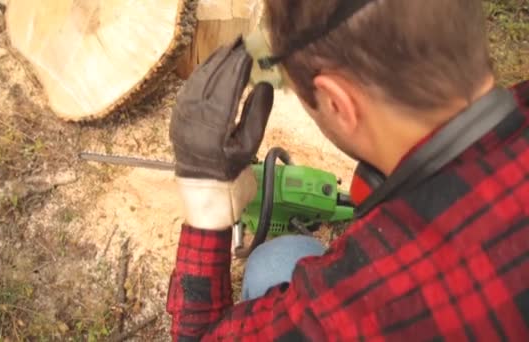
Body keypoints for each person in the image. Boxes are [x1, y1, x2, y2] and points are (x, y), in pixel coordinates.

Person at [166, 0, 529, 340]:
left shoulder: (367, 296)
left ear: (338, 103)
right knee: (278, 261)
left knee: (273, 267)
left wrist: (206, 198)